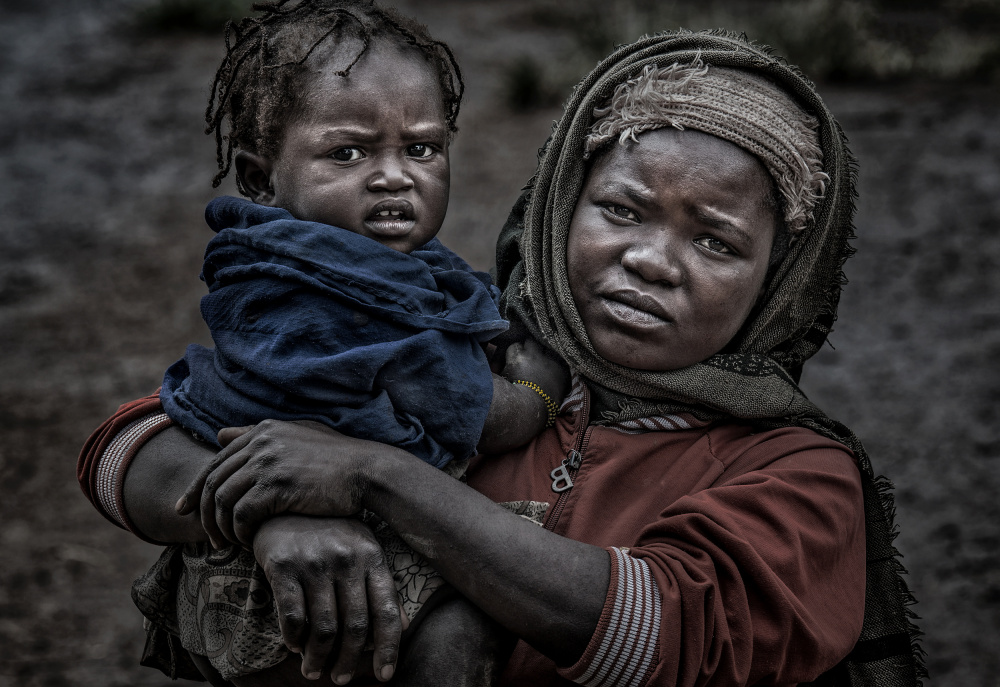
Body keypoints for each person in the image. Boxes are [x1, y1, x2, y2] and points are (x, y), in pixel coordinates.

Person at [78, 29, 925, 687]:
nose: (652, 260)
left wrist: (374, 478)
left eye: (716, 240)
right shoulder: (469, 336)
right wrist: (273, 509)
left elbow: (661, 637)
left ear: (778, 280)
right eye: (623, 210)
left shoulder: (798, 474)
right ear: (561, 206)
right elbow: (125, 445)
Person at [79, 1, 567, 684]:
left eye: (421, 148)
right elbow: (486, 415)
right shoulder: (368, 305)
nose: (394, 176)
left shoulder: (257, 266)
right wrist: (543, 388)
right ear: (259, 176)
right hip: (332, 561)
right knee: (461, 631)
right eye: (348, 152)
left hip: (220, 555)